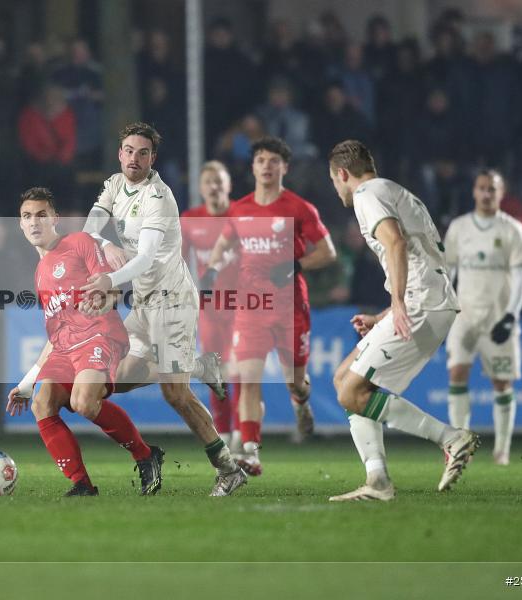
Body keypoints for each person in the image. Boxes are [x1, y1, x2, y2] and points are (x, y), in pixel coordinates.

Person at [80, 122, 247, 497]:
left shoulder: (159, 198)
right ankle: (200, 366)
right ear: (119, 152)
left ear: (153, 158)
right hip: (143, 303)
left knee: (176, 394)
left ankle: (229, 469)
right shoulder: (113, 184)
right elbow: (92, 225)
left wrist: (109, 280)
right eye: (128, 150)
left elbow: (145, 259)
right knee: (113, 383)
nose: (134, 158)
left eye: (142, 152)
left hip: (171, 301)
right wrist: (102, 245)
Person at [327, 139, 478, 501]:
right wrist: (384, 313)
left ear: (342, 174)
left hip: (422, 305)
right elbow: (420, 255)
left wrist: (395, 302)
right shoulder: (395, 191)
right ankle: (377, 479)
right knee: (343, 380)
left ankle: (452, 438)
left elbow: (394, 243)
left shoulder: (366, 195)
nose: (336, 188)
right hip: (427, 300)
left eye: (333, 180)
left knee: (352, 390)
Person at [7, 187, 164, 496]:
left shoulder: (79, 243)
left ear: (55, 219)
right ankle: (82, 484)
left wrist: (105, 300)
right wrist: (27, 382)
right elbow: (57, 335)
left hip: (99, 335)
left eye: (41, 215)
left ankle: (146, 455)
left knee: (82, 402)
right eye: (27, 217)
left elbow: (112, 286)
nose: (34, 222)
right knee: (42, 404)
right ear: (20, 224)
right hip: (67, 348)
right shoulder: (40, 274)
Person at [204, 137, 337, 476]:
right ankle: (251, 452)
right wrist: (214, 271)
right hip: (251, 307)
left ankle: (300, 402)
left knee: (295, 381)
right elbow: (221, 246)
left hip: (290, 306)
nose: (266, 165)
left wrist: (296, 265)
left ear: (284, 168)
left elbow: (328, 252)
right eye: (260, 160)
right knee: (248, 378)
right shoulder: (240, 209)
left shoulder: (299, 208)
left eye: (273, 161)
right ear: (252, 167)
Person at [444, 170, 522, 466]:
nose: (486, 194)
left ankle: (502, 450)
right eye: (482, 188)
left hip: (497, 317)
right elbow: (448, 272)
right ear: (473, 191)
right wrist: (446, 305)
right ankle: (461, 446)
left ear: (501, 192)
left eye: (492, 189)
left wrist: (510, 315)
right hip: (465, 315)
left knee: (502, 382)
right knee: (456, 373)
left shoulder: (512, 230)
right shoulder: (458, 228)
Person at [181, 161, 241, 451]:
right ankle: (225, 433)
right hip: (209, 309)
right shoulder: (190, 219)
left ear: (229, 185)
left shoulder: (242, 215)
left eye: (219, 181)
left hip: (244, 306)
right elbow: (177, 263)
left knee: (240, 369)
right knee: (215, 371)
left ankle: (244, 432)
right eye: (208, 181)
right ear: (201, 188)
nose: (214, 186)